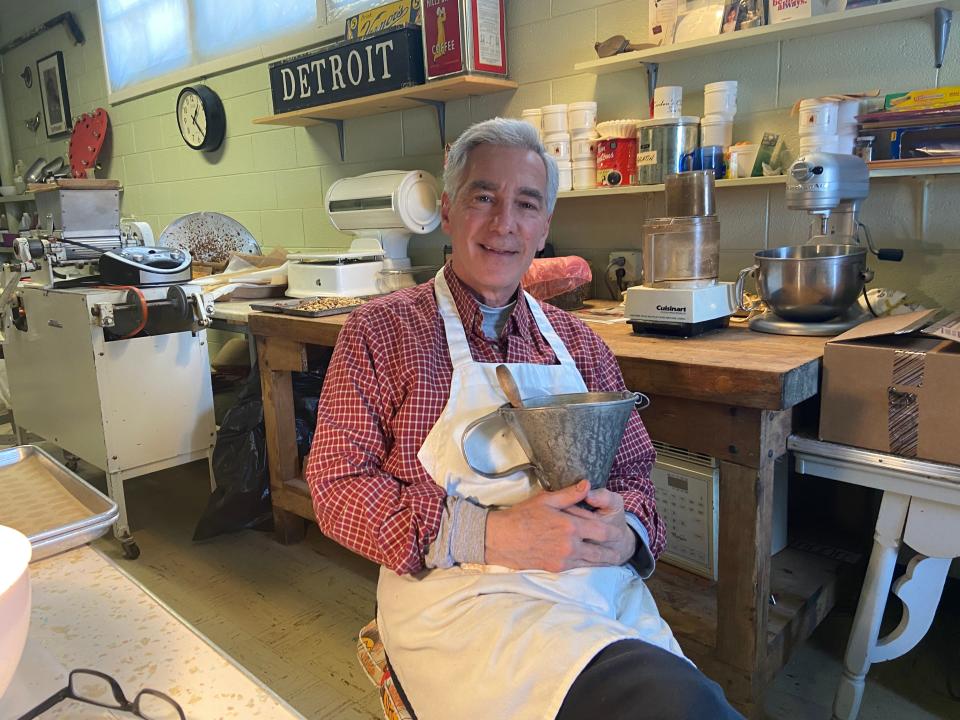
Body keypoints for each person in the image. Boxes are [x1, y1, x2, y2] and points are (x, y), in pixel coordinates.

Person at [304, 118, 742, 720]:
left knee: (692, 703)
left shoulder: (580, 344)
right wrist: (487, 534)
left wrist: (628, 533)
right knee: (658, 702)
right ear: (449, 213)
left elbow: (636, 470)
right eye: (483, 197)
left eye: (526, 204)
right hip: (460, 595)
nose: (504, 222)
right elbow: (336, 486)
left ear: (544, 229)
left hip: (594, 587)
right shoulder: (383, 331)